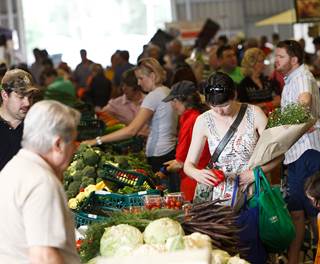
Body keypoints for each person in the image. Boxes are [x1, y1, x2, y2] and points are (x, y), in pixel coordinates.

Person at [184, 72, 283, 263]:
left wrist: (255, 174)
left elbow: (278, 154)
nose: (220, 111)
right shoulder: (203, 120)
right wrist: (198, 174)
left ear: (235, 95)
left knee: (252, 250)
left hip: (252, 195)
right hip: (218, 202)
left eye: (224, 105)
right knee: (223, 253)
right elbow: (188, 165)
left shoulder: (254, 113)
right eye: (214, 106)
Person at [0, 100, 81, 263]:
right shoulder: (42, 182)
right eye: (72, 142)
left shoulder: (13, 168)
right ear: (58, 144)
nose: (74, 148)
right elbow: (44, 257)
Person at [83, 58, 178, 191]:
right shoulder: (167, 91)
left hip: (159, 155)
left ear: (152, 75)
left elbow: (132, 130)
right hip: (169, 151)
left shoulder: (153, 96)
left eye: (141, 78)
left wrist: (97, 140)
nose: (138, 83)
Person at [274, 40, 320, 264]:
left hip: (308, 151)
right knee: (297, 212)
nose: (276, 61)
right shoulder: (291, 79)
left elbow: (305, 100)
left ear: (294, 59)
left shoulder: (302, 76)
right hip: (297, 153)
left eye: (280, 57)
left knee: (316, 212)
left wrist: (284, 122)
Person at [162, 81, 211, 201]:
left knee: (192, 215)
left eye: (173, 101)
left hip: (193, 180)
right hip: (202, 176)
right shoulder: (197, 115)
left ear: (182, 101)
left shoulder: (190, 120)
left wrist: (163, 171)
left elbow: (180, 163)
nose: (172, 106)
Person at [0, 69, 39, 171]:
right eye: (21, 97)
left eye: (30, 97)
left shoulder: (36, 126)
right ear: (5, 95)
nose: (27, 103)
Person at [238, 47, 281, 114]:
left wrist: (263, 105)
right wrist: (270, 104)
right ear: (251, 63)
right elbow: (245, 108)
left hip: (273, 117)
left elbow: (278, 101)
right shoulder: (244, 85)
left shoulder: (268, 80)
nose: (263, 65)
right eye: (260, 62)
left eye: (263, 61)